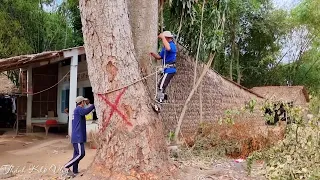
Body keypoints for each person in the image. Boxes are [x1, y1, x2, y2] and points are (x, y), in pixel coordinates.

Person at [62, 96, 95, 178]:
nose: (85, 103)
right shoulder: (79, 109)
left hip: (77, 136)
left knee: (76, 154)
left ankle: (75, 170)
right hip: (78, 137)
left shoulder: (76, 110)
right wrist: (94, 105)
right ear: (82, 102)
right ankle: (66, 167)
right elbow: (86, 111)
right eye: (84, 102)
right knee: (81, 154)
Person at [150, 31, 177, 105]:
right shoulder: (164, 48)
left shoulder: (172, 45)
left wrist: (162, 37)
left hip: (170, 69)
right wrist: (153, 54)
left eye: (164, 38)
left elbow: (169, 48)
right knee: (162, 85)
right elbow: (160, 57)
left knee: (161, 85)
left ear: (168, 38)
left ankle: (159, 102)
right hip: (166, 69)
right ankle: (161, 99)